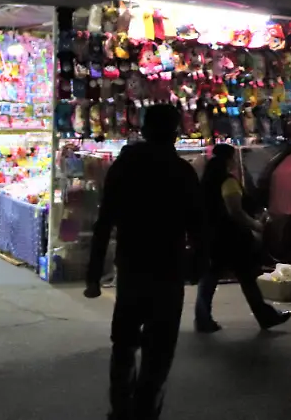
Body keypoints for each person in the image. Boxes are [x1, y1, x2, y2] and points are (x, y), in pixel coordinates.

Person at [85, 105, 207, 420]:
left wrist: (93, 276)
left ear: (143, 129)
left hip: (133, 268)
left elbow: (104, 222)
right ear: (176, 132)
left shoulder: (124, 168)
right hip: (168, 270)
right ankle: (145, 410)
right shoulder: (182, 171)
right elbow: (198, 227)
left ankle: (121, 409)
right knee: (159, 351)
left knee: (124, 344)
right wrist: (199, 265)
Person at [194, 143, 291, 332]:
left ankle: (203, 319)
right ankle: (266, 317)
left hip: (212, 238)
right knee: (247, 278)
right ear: (229, 159)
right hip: (232, 239)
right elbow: (235, 211)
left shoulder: (206, 182)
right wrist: (255, 225)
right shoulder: (228, 181)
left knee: (209, 279)